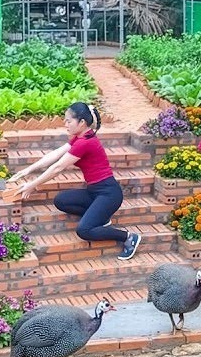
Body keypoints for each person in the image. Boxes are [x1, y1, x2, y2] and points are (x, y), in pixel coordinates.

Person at [9, 101, 142, 260]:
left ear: (82, 122)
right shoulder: (81, 137)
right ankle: (101, 217)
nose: (65, 124)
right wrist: (27, 170)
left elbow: (58, 167)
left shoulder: (86, 142)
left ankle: (128, 237)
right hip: (94, 192)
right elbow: (54, 155)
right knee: (61, 201)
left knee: (84, 231)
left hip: (109, 194)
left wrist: (32, 185)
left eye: (68, 121)